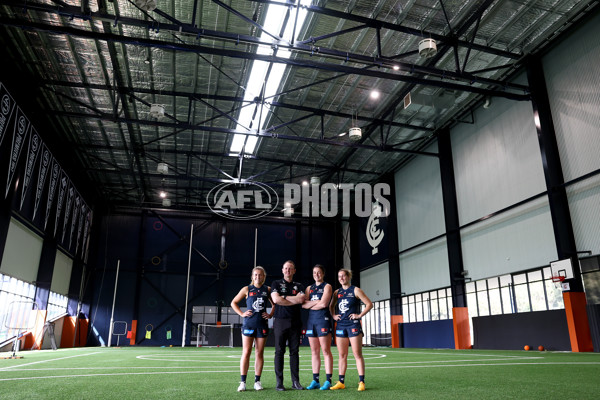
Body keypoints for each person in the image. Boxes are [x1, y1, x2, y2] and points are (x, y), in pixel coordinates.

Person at [329, 268, 373, 392]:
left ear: (348, 277)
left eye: (343, 276)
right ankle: (341, 382)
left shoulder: (356, 290)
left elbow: (369, 304)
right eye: (339, 276)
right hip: (341, 325)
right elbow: (331, 306)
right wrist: (333, 315)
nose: (341, 278)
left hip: (353, 325)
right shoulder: (337, 292)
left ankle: (361, 382)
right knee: (342, 355)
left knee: (357, 354)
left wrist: (359, 316)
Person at [230, 266, 274, 392]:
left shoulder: (268, 289)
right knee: (246, 352)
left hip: (262, 325)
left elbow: (275, 304)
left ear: (264, 277)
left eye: (260, 275)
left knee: (259, 353)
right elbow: (233, 303)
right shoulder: (246, 289)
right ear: (252, 276)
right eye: (255, 275)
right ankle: (243, 382)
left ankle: (257, 381)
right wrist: (242, 314)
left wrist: (271, 314)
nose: (258, 277)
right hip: (249, 324)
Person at [270, 260, 305, 391]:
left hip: (295, 322)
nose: (288, 270)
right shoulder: (276, 283)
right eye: (286, 268)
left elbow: (301, 299)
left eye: (290, 268)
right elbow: (276, 300)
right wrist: (292, 299)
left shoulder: (299, 285)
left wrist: (284, 297)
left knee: (294, 352)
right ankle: (279, 383)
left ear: (294, 271)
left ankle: (295, 382)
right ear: (282, 270)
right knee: (279, 351)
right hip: (280, 321)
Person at [302, 264, 334, 390]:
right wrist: (317, 303)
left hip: (323, 320)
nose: (317, 274)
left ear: (323, 273)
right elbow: (303, 305)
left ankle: (328, 380)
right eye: (314, 272)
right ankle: (315, 380)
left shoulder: (327, 286)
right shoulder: (309, 288)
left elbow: (324, 304)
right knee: (314, 352)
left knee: (325, 351)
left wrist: (312, 304)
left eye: (319, 272)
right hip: (311, 321)